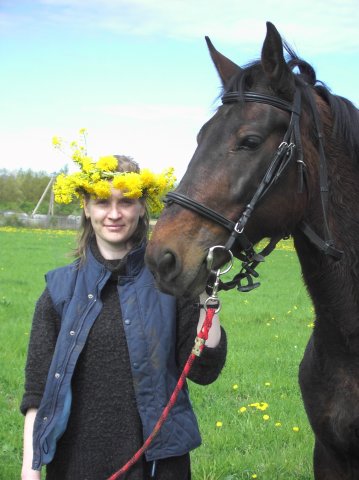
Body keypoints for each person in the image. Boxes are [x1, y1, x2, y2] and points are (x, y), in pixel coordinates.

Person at [20, 153, 227, 480]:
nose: (114, 214)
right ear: (86, 208)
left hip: (159, 466)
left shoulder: (170, 286)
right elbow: (37, 395)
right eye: (102, 202)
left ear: (142, 206)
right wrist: (29, 473)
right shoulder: (58, 292)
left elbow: (204, 370)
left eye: (126, 201)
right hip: (75, 466)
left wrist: (204, 289)